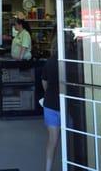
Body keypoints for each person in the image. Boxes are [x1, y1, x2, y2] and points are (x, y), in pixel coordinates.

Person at [42, 28, 60, 171]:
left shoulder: (50, 62)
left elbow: (45, 83)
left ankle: (47, 169)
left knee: (52, 140)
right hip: (68, 106)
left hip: (50, 103)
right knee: (70, 139)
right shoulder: (72, 61)